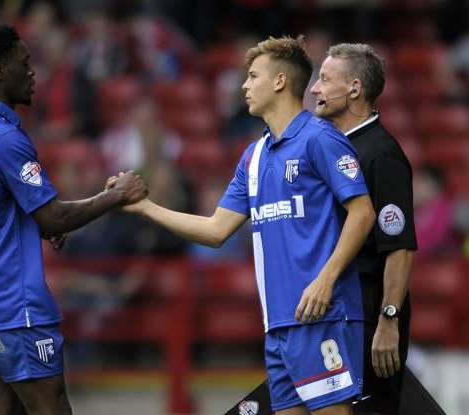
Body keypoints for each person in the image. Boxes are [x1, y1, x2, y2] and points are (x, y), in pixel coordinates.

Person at [114, 35, 376, 414]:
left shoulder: (320, 139)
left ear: (280, 82)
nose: (244, 85)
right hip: (279, 326)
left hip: (323, 315)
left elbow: (363, 212)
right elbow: (216, 230)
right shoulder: (252, 157)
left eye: (253, 76)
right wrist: (145, 208)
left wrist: (325, 279)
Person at [0, 22, 147, 415]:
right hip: (12, 303)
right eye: (24, 62)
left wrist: (32, 225)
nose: (33, 71)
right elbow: (53, 216)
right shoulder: (3, 138)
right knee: (50, 407)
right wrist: (116, 195)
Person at [310, 43, 418, 415]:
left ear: (354, 89)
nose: (314, 89)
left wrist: (389, 321)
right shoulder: (332, 146)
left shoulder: (381, 154)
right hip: (334, 309)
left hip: (371, 313)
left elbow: (399, 247)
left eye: (324, 79)